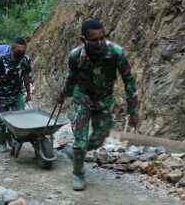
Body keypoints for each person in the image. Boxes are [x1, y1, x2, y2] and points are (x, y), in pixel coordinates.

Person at [57, 19, 139, 191]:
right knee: (80, 141)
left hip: (104, 100)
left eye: (102, 37)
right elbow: (70, 77)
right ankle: (78, 173)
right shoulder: (75, 56)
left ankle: (77, 152)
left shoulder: (116, 52)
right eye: (94, 40)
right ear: (83, 39)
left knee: (99, 138)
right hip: (83, 98)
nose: (99, 42)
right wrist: (63, 94)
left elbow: (129, 81)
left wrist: (133, 110)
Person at [0, 37, 31, 153]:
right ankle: (2, 143)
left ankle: (13, 138)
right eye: (18, 51)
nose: (20, 53)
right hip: (2, 95)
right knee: (1, 121)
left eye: (23, 51)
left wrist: (28, 93)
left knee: (19, 118)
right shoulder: (2, 60)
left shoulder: (25, 60)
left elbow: (26, 77)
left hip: (17, 94)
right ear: (12, 49)